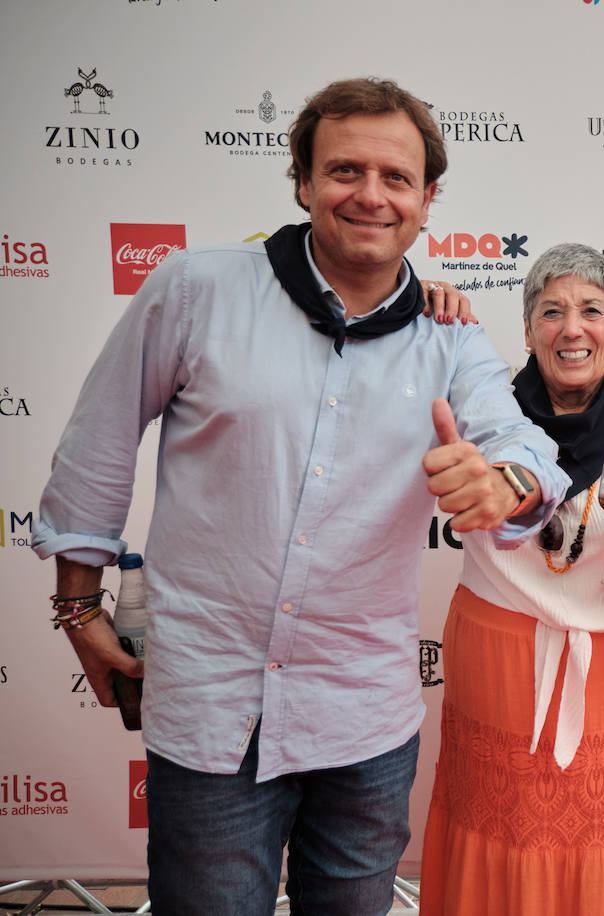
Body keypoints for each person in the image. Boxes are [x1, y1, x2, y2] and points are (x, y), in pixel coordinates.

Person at [32, 77, 568, 916]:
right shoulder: (196, 288)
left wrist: (510, 481)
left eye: (396, 178)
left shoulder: (451, 336)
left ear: (428, 200)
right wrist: (77, 609)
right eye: (345, 170)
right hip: (211, 708)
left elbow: (521, 444)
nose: (370, 194)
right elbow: (97, 446)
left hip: (364, 722)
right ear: (304, 183)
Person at [419, 242, 604, 916]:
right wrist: (412, 300)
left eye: (591, 311)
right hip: (501, 661)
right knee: (502, 834)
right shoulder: (485, 407)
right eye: (551, 312)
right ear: (526, 332)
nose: (571, 329)